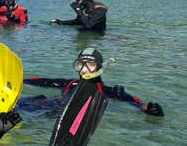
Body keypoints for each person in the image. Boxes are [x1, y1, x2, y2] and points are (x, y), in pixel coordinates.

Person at [20, 48, 164, 117]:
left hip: (74, 115)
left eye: (90, 64)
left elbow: (134, 101)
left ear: (100, 67)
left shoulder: (107, 91)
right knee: (34, 101)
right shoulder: (70, 83)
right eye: (81, 64)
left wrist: (148, 109)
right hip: (55, 107)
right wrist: (18, 81)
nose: (84, 69)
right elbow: (43, 82)